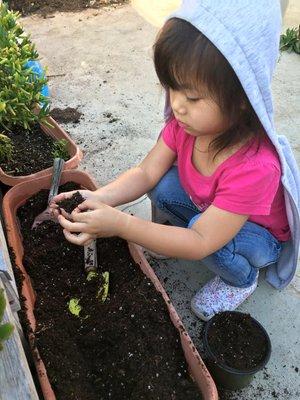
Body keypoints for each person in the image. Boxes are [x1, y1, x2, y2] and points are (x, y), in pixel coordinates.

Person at [51, 0, 300, 321]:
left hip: (259, 238)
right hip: (213, 212)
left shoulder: (255, 167)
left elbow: (200, 242)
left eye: (193, 97)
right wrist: (100, 197)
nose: (178, 106)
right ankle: (175, 236)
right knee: (164, 184)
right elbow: (145, 172)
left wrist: (123, 225)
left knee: (202, 233)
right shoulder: (187, 125)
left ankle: (241, 280)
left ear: (242, 97)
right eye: (171, 88)